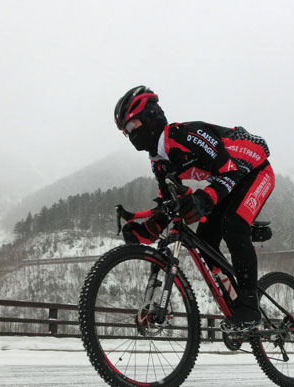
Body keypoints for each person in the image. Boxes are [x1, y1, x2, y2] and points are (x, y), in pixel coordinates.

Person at [115, 85, 275, 333]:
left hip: (255, 170)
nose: (129, 134)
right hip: (228, 180)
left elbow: (230, 170)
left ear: (149, 116)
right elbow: (167, 203)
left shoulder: (185, 135)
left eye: (131, 126)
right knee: (205, 240)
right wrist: (145, 231)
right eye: (125, 132)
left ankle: (249, 307)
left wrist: (205, 198)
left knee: (233, 225)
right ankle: (234, 302)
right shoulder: (158, 161)